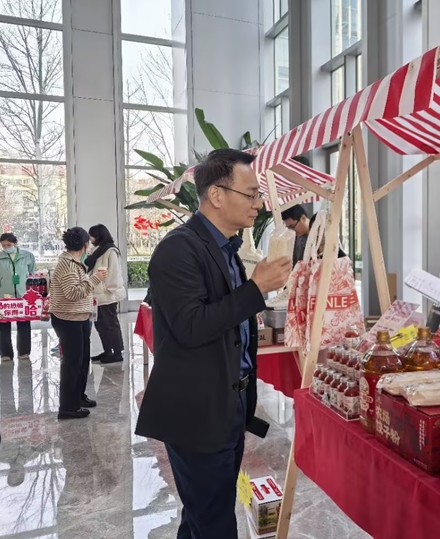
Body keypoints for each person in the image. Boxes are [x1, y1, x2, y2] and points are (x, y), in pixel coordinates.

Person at [135, 148, 292, 538]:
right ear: (217, 195)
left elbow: (231, 321)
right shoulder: (178, 249)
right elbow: (191, 326)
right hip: (196, 410)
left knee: (204, 512)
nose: (259, 204)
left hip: (228, 404)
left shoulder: (227, 249)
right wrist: (257, 288)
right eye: (251, 194)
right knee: (215, 521)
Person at [50, 227, 107, 419]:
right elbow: (73, 293)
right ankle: (68, 407)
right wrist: (95, 279)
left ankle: (78, 397)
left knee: (82, 361)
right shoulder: (67, 265)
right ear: (85, 245)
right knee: (72, 363)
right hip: (68, 319)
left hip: (80, 317)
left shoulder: (74, 263)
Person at [86, 224, 126, 364]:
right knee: (100, 324)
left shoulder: (110, 251)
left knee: (111, 324)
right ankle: (107, 351)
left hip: (107, 294)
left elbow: (113, 272)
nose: (90, 238)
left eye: (92, 235)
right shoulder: (96, 250)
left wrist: (110, 289)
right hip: (96, 294)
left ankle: (117, 353)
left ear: (98, 236)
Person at [0, 233, 36, 362]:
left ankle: (24, 352)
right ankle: (6, 353)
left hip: (23, 296)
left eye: (8, 245)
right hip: (4, 297)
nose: (6, 248)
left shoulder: (27, 256)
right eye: (3, 246)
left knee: (24, 323)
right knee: (3, 325)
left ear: (15, 243)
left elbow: (32, 273)